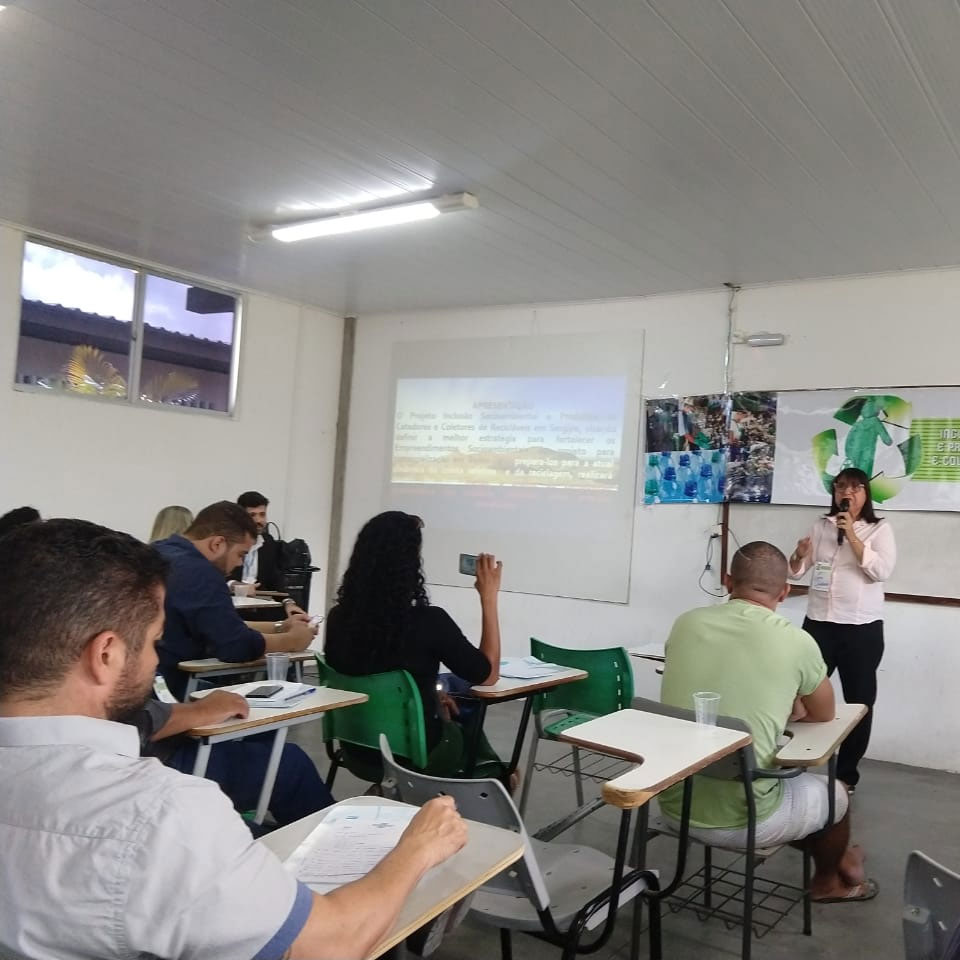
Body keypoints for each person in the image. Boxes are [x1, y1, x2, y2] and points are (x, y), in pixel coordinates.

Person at [0, 518, 468, 960]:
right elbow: (330, 945)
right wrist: (418, 848)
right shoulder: (162, 817)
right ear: (105, 654)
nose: (154, 661)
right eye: (153, 643)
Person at [659, 542, 876, 903]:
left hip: (672, 803)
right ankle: (828, 882)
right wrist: (793, 697)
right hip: (747, 819)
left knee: (794, 791)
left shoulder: (686, 623)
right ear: (786, 591)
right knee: (834, 794)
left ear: (728, 581)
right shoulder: (795, 641)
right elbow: (824, 714)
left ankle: (842, 856)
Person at [324, 511, 505, 778]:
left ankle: (491, 778)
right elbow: (488, 675)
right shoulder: (429, 622)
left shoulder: (338, 619)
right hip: (418, 756)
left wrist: (426, 698)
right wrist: (488, 598)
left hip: (356, 751)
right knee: (466, 712)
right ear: (410, 564)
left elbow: (371, 673)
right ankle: (495, 777)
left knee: (450, 693)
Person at [789, 467, 896, 791]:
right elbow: (796, 573)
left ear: (865, 494)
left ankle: (845, 776)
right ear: (834, 493)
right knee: (800, 694)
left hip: (860, 629)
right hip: (819, 624)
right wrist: (798, 555)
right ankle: (794, 761)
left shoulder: (879, 529)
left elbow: (881, 571)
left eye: (854, 488)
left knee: (858, 702)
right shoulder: (821, 525)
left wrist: (851, 535)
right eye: (840, 488)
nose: (846, 494)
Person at [153, 500, 315, 700]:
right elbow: (235, 645)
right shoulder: (202, 573)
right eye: (241, 554)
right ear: (217, 544)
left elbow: (217, 624)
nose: (240, 562)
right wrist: (292, 641)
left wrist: (279, 626)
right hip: (170, 690)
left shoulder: (160, 551)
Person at [229, 489, 284, 591]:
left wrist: (288, 602)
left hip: (259, 601)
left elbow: (275, 579)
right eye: (252, 515)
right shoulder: (229, 541)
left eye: (262, 514)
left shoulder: (268, 542)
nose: (259, 520)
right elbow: (217, 576)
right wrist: (235, 585)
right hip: (231, 600)